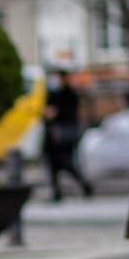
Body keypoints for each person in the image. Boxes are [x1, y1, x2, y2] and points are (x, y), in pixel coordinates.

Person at [42, 66, 93, 201]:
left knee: (65, 163)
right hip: (53, 134)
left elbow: (69, 114)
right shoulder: (53, 94)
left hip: (63, 134)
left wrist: (56, 113)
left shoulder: (69, 94)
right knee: (53, 164)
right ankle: (57, 192)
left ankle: (84, 186)